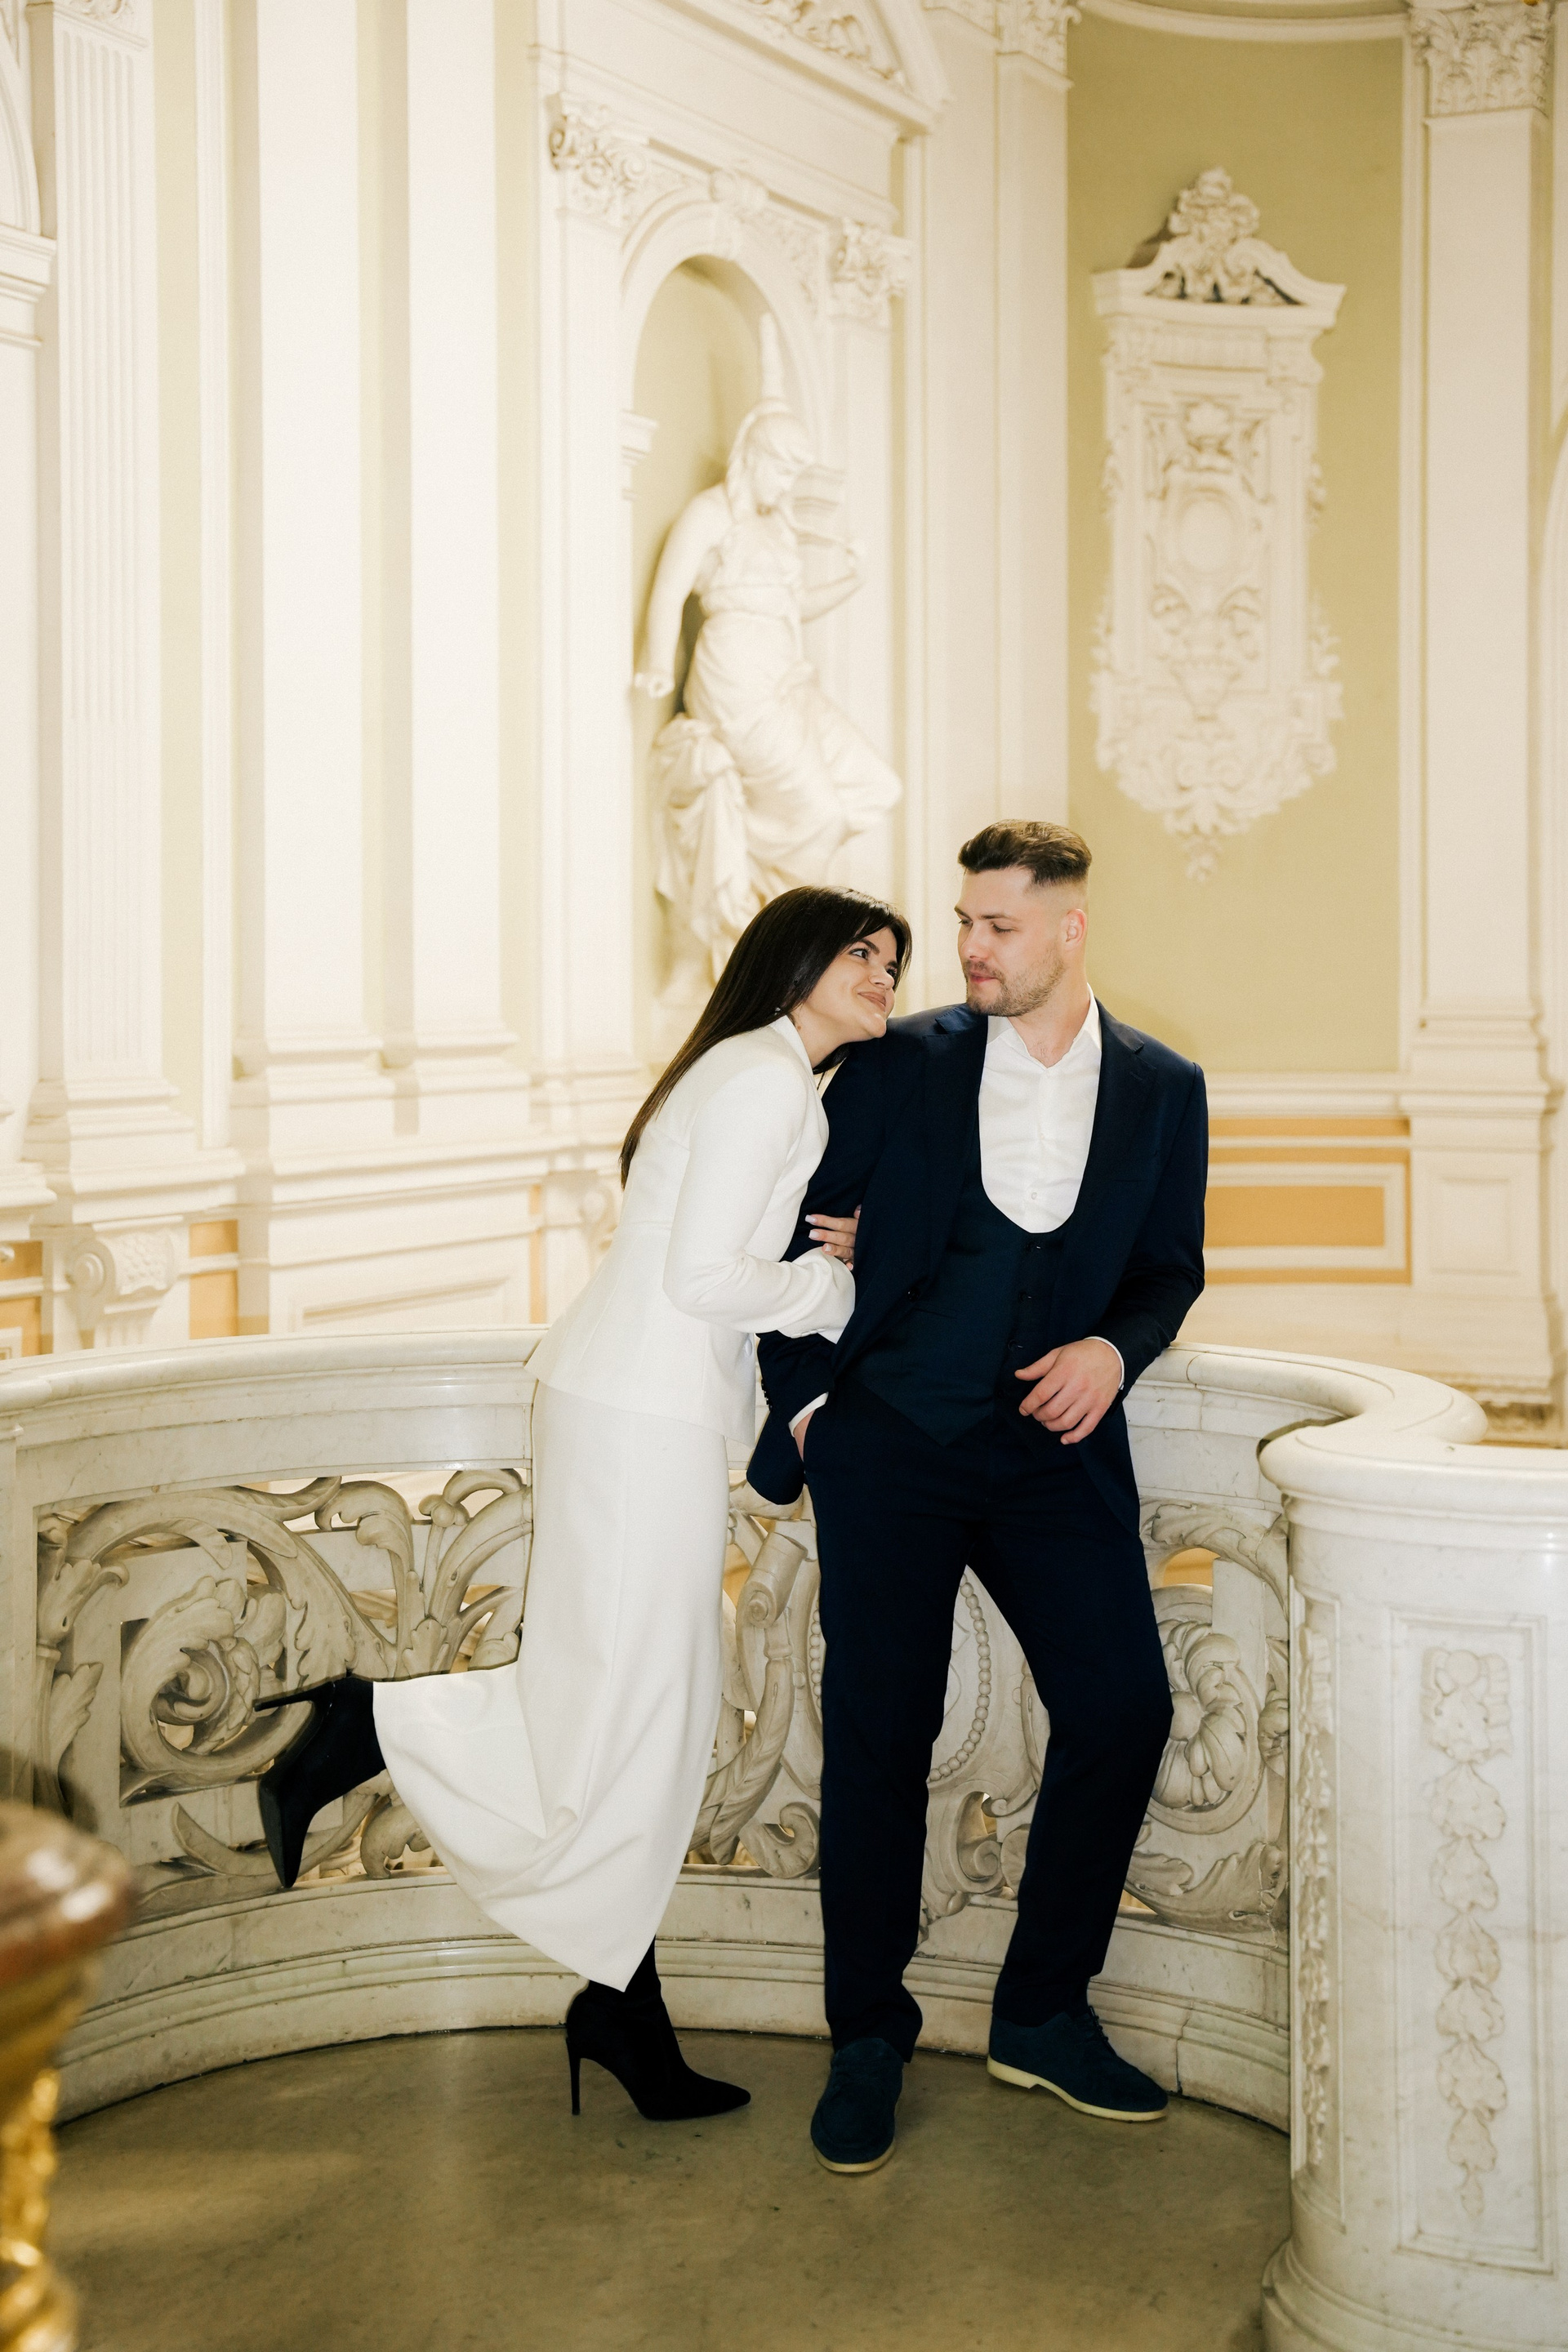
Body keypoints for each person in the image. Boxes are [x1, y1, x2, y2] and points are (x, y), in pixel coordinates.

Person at [253, 885, 911, 2126]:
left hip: (634, 1405)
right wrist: (836, 1286)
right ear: (794, 963)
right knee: (633, 1710)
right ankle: (367, 1727)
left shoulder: (761, 1074)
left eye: (893, 961)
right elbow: (704, 1276)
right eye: (862, 955)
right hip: (640, 1414)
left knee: (631, 1712)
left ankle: (621, 2004)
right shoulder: (764, 1083)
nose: (885, 976)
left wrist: (828, 1249)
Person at [750, 822, 1206, 2174]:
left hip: (1053, 1457)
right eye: (964, 922)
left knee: (1123, 1707)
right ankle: (867, 2038)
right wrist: (814, 1410)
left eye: (997, 926)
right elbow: (785, 1231)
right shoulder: (901, 1061)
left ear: (1070, 928)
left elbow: (1167, 1267)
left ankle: (1044, 2013)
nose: (967, 949)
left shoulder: (1162, 1086)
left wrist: (1114, 1349)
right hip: (892, 1441)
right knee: (880, 1731)